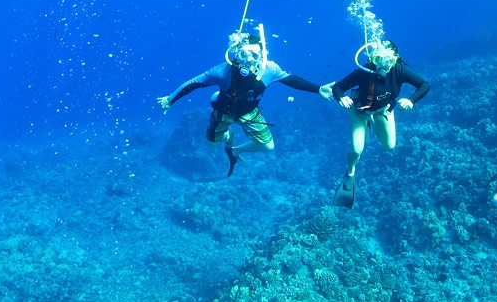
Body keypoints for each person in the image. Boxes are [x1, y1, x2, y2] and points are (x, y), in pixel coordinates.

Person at [158, 29, 332, 177]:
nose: (248, 60)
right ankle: (226, 134)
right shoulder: (222, 71)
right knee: (211, 145)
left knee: (268, 146)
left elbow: (291, 80)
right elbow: (194, 83)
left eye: (254, 55)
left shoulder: (270, 69)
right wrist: (170, 99)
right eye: (244, 54)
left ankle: (235, 150)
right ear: (236, 53)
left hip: (249, 113)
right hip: (223, 111)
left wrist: (318, 89)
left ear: (261, 56)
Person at [328, 39, 429, 207]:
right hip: (360, 110)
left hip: (383, 110)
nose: (384, 65)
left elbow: (424, 84)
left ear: (395, 57)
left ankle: (372, 122)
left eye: (388, 60)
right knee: (356, 149)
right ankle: (350, 173)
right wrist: (341, 97)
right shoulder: (364, 72)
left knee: (389, 146)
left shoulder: (400, 70)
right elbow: (338, 87)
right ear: (374, 59)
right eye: (379, 60)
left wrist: (411, 100)